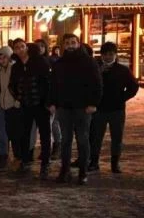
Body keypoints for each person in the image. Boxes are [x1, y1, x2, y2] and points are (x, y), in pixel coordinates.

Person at [50, 34, 103, 185]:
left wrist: (93, 103)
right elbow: (53, 85)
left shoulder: (89, 62)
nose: (70, 45)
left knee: (82, 140)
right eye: (67, 43)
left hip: (83, 108)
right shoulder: (59, 63)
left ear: (78, 44)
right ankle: (64, 171)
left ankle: (83, 172)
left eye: (73, 42)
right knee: (65, 140)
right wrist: (52, 102)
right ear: (63, 45)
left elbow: (97, 84)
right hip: (64, 107)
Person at [89, 42, 138, 173]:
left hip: (117, 109)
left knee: (117, 137)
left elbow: (133, 86)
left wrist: (122, 97)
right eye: (105, 54)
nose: (108, 57)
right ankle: (94, 162)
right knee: (96, 137)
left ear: (115, 55)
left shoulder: (122, 70)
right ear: (101, 55)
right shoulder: (96, 69)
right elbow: (88, 85)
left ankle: (115, 163)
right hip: (99, 109)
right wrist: (99, 73)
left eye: (111, 54)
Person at [10, 39, 52, 179]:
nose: (20, 49)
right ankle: (25, 160)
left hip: (40, 104)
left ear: (26, 47)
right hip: (25, 105)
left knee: (45, 134)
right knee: (24, 133)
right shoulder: (16, 66)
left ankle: (45, 163)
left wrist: (48, 101)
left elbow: (48, 82)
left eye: (22, 46)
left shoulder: (39, 62)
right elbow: (12, 84)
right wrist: (18, 97)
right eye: (17, 47)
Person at [0, 46, 16, 168]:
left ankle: (17, 156)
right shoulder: (1, 70)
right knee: (4, 130)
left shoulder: (13, 69)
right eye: (0, 58)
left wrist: (17, 100)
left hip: (13, 104)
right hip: (4, 104)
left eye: (4, 57)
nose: (2, 60)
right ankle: (5, 154)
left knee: (14, 132)